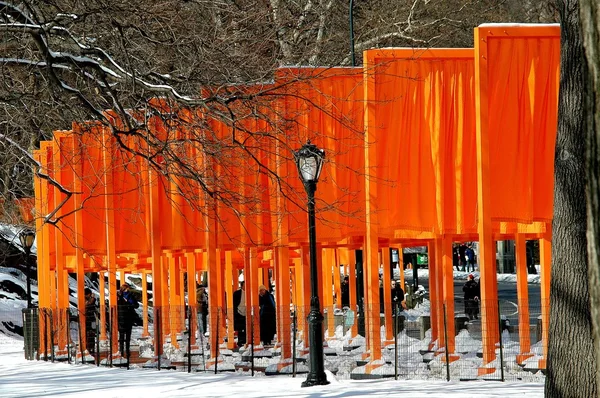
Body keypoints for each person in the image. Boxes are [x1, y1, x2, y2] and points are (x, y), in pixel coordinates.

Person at [117, 282, 139, 359]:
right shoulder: (119, 297)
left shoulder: (125, 296)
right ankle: (123, 350)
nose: (127, 290)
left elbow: (136, 305)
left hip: (125, 318)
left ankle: (125, 350)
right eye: (126, 289)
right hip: (123, 318)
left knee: (125, 336)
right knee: (123, 336)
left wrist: (129, 305)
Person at [232, 281, 246, 346]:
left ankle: (246, 340)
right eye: (244, 285)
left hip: (247, 312)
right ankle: (240, 341)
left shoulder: (251, 293)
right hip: (239, 312)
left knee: (246, 328)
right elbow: (233, 303)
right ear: (242, 286)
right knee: (240, 328)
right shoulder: (237, 293)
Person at [84, 288, 97, 356]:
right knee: (88, 334)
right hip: (87, 319)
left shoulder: (92, 300)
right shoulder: (84, 300)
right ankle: (88, 347)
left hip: (92, 318)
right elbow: (88, 304)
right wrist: (92, 298)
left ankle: (92, 347)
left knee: (93, 333)